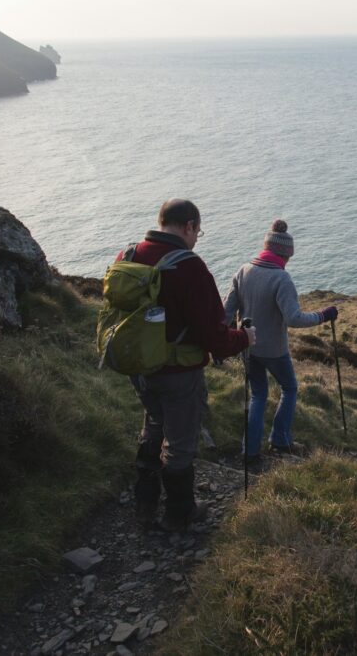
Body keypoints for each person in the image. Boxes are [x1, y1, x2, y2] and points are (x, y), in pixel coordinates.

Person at [118, 198, 254, 531]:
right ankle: (180, 514)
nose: (196, 238)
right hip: (178, 372)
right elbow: (213, 337)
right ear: (189, 226)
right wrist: (244, 338)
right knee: (179, 443)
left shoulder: (129, 255)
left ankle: (145, 504)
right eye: (198, 231)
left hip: (139, 366)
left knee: (152, 426)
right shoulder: (189, 267)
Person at [223, 219, 338, 465]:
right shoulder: (281, 278)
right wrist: (323, 315)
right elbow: (294, 319)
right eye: (288, 257)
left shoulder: (243, 271)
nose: (288, 262)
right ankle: (280, 439)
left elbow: (225, 312)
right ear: (284, 254)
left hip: (247, 346)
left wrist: (223, 342)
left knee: (258, 395)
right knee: (289, 388)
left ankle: (250, 452)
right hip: (274, 349)